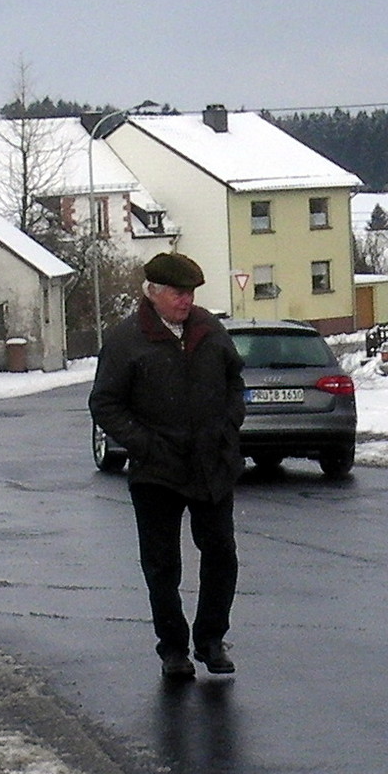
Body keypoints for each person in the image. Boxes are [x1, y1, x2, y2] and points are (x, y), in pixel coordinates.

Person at [88, 253, 245, 679]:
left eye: (191, 293)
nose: (186, 301)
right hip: (156, 472)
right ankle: (173, 648)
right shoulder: (126, 341)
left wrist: (228, 429)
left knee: (220, 554)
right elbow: (104, 403)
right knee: (161, 565)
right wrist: (146, 445)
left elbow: (235, 381)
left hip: (212, 464)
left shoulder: (210, 330)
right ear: (152, 292)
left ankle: (211, 640)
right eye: (178, 293)